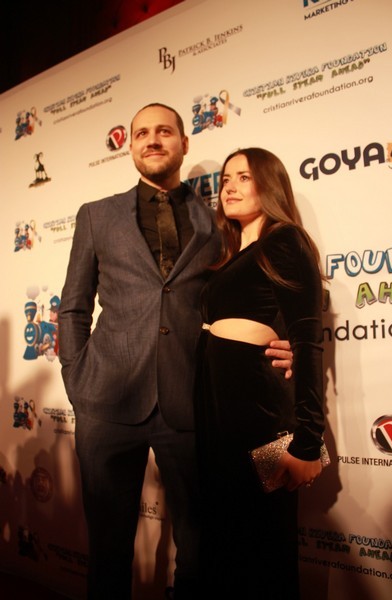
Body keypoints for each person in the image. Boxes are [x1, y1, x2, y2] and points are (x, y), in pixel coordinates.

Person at [58, 104, 293, 600]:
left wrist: (285, 336)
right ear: (131, 146)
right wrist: (77, 379)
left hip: (189, 404)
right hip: (105, 402)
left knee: (199, 547)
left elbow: (248, 286)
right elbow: (74, 306)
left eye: (164, 131)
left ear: (184, 143)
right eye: (142, 132)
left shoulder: (218, 220)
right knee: (108, 549)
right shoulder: (96, 215)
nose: (152, 139)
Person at [196, 147, 326, 599]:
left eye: (244, 177)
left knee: (263, 548)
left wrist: (308, 441)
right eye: (226, 179)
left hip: (261, 417)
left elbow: (308, 339)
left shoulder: (285, 241)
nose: (229, 187)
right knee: (227, 546)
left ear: (269, 186)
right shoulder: (233, 255)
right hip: (218, 418)